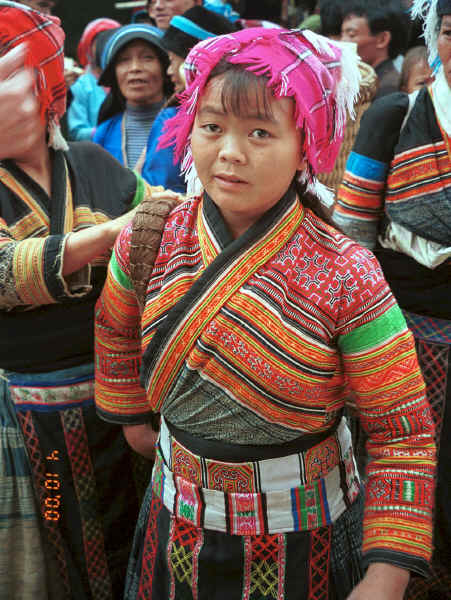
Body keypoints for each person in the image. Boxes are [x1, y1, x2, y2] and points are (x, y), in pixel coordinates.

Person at [95, 26, 436, 600]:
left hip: (310, 539)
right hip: (174, 526)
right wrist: (134, 423)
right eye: (211, 127)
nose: (229, 152)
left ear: (306, 144)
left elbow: (400, 431)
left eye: (259, 131)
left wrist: (387, 573)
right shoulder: (149, 238)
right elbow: (114, 328)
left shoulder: (346, 270)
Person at [0, 3, 178, 599]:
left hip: (117, 398)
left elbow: (165, 229)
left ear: (46, 84)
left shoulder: (96, 164)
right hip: (28, 411)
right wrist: (104, 238)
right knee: (56, 531)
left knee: (124, 526)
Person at [335, 0, 451, 596]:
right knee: (403, 484)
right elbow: (351, 240)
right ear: (435, 38)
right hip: (404, 342)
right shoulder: (395, 116)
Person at [139, 5, 236, 191]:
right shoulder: (245, 112)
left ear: (190, 65)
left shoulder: (173, 118)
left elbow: (159, 189)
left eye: (173, 61)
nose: (169, 71)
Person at [93, 24, 183, 192]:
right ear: (114, 74)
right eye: (124, 60)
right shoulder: (104, 133)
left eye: (147, 58)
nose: (135, 68)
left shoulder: (186, 124)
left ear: (166, 70)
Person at [341, 0, 409, 100]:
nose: (342, 42)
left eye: (351, 35)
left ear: (382, 40)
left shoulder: (389, 88)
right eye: (342, 34)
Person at [67, 18, 120, 141]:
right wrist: (110, 132)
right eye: (100, 42)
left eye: (110, 41)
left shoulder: (126, 78)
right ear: (88, 48)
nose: (105, 47)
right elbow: (76, 132)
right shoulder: (80, 86)